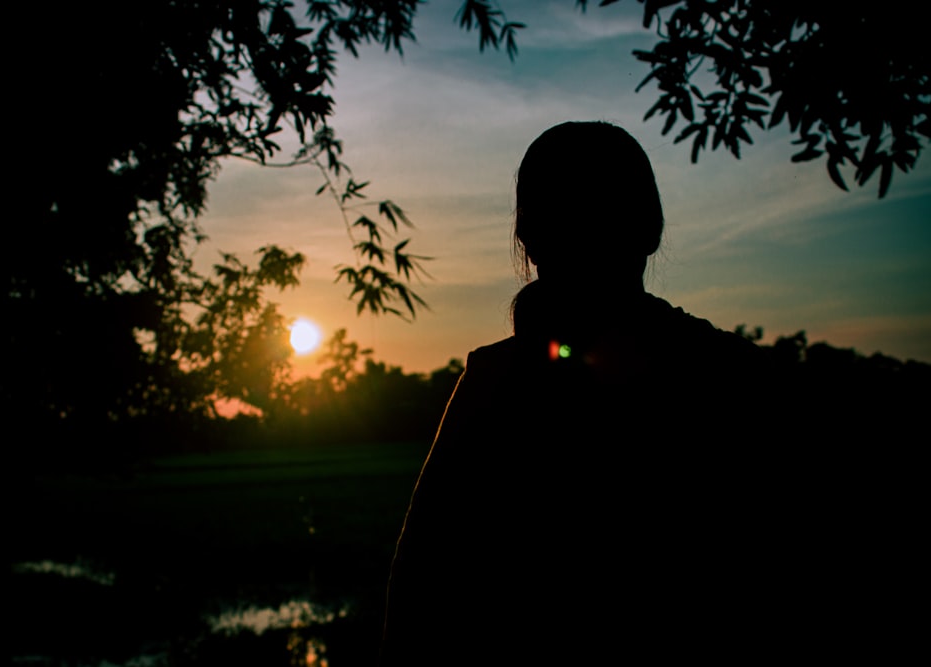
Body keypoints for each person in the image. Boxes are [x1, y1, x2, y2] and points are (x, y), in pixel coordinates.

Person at [378, 122, 901, 665]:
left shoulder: (494, 385)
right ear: (651, 228)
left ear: (529, 239)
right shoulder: (736, 375)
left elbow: (418, 599)